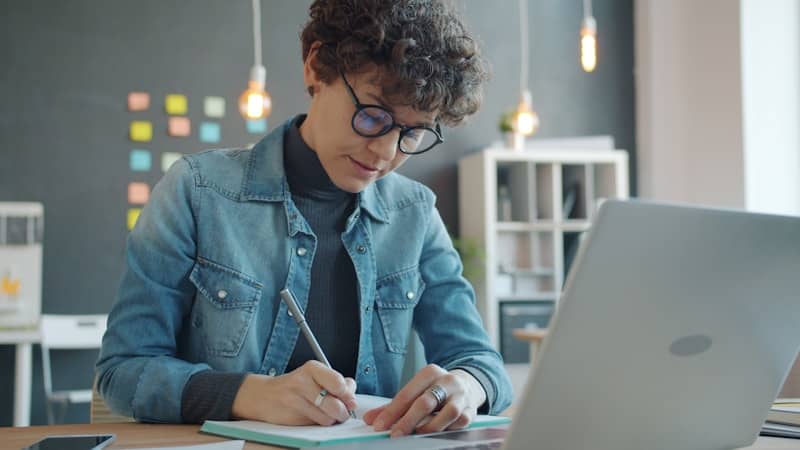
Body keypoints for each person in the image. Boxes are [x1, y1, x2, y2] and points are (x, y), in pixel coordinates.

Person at [96, 0, 512, 438]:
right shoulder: (197, 192)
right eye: (372, 116)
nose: (386, 153)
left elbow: (483, 364)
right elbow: (123, 371)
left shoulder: (416, 214)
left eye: (412, 134)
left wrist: (467, 386)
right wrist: (249, 395)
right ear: (316, 67)